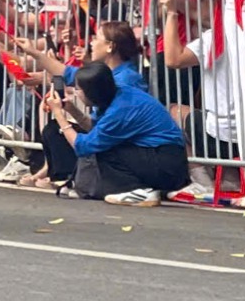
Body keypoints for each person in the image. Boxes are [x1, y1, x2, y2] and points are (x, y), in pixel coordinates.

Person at [57, 59, 190, 204]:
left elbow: (83, 146)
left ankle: (137, 190)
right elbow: (96, 128)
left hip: (166, 163)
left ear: (91, 92)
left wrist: (58, 114)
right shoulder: (117, 93)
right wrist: (71, 110)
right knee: (102, 145)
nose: (75, 93)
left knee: (103, 150)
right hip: (163, 158)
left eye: (77, 89)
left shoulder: (120, 109)